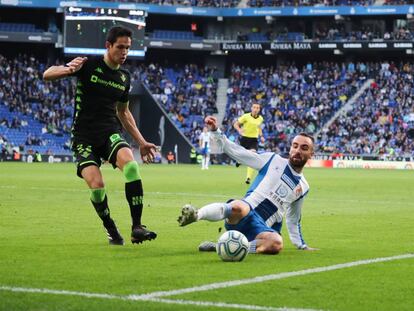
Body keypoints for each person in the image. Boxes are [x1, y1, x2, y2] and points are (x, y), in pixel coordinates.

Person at [43, 26, 157, 246]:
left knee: (132, 167)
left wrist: (141, 142)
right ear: (109, 46)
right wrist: (67, 69)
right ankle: (110, 228)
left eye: (128, 48)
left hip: (109, 133)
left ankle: (137, 227)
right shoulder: (89, 65)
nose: (124, 52)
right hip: (83, 137)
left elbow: (123, 112)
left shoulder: (124, 77)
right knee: (97, 185)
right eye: (120, 47)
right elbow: (47, 74)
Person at [177, 116, 318, 254]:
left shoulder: (303, 187)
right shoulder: (272, 160)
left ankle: (224, 246)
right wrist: (216, 132)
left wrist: (302, 245)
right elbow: (238, 152)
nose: (298, 151)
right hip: (244, 214)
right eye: (295, 146)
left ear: (311, 153)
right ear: (290, 148)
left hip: (262, 231)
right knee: (239, 206)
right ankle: (196, 215)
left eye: (304, 148)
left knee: (276, 243)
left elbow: (293, 218)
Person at [233, 102, 264, 184]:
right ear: (251, 108)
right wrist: (239, 130)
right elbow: (235, 124)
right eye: (254, 107)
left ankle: (248, 178)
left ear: (259, 109)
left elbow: (259, 128)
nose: (256, 109)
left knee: (252, 156)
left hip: (254, 140)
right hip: (244, 138)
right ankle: (239, 161)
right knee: (241, 155)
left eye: (257, 108)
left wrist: (261, 136)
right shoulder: (245, 116)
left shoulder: (260, 118)